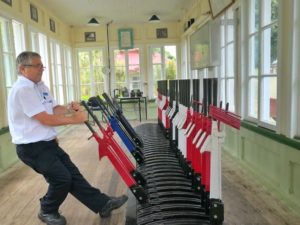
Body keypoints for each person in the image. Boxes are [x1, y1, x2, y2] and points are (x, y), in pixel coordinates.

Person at [7, 51, 128, 225]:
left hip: (47, 144)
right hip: (31, 148)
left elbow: (53, 109)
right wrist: (74, 120)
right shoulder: (23, 90)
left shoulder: (39, 85)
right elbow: (45, 118)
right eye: (37, 66)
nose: (42, 69)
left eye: (42, 65)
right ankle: (47, 210)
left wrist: (69, 109)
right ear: (22, 68)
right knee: (62, 178)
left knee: (73, 175)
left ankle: (103, 204)